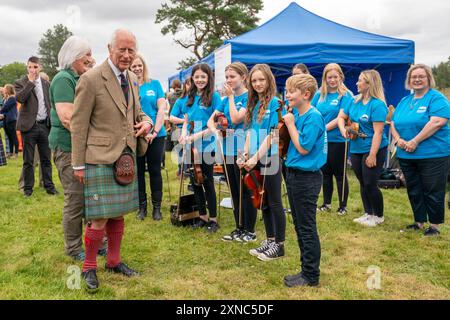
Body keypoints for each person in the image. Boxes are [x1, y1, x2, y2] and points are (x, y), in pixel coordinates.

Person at [71, 29, 152, 291]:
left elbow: (138, 113)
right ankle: (89, 268)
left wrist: (147, 123)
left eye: (131, 50)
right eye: (122, 50)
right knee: (99, 218)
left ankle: (114, 261)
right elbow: (78, 124)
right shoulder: (91, 79)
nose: (127, 55)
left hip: (125, 158)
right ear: (110, 48)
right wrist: (78, 164)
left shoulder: (132, 78)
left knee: (118, 215)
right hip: (99, 158)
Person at [49, 35, 95, 261]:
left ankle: (94, 241)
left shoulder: (80, 78)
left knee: (90, 197)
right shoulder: (62, 79)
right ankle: (74, 247)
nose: (91, 59)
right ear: (73, 57)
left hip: (84, 148)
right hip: (68, 148)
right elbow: (68, 118)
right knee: (76, 198)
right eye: (86, 54)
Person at [390, 64, 450, 236]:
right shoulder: (405, 101)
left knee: (432, 189)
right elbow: (393, 122)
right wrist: (399, 139)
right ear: (409, 80)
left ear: (428, 78)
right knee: (414, 189)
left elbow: (437, 122)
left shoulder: (436, 98)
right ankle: (419, 222)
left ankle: (435, 226)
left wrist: (415, 141)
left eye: (420, 76)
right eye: (413, 77)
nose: (416, 79)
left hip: (433, 154)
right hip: (406, 154)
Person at [283, 73, 326, 287]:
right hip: (293, 174)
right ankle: (305, 270)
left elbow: (303, 147)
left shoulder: (313, 116)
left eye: (292, 91)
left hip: (306, 178)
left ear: (306, 94)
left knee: (307, 226)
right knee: (299, 225)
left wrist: (290, 124)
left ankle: (311, 275)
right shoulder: (297, 114)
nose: (287, 94)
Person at [239, 64, 286, 261]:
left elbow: (273, 136)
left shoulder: (276, 103)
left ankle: (280, 245)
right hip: (255, 157)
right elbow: (250, 132)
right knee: (263, 200)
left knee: (275, 202)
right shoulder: (253, 103)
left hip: (270, 157)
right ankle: (270, 239)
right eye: (254, 80)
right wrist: (245, 154)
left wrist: (254, 158)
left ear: (269, 81)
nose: (258, 84)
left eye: (261, 80)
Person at [207, 62, 257, 242]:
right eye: (227, 77)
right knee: (234, 190)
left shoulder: (248, 97)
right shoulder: (223, 99)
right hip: (227, 148)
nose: (228, 80)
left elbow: (236, 118)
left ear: (243, 77)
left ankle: (249, 230)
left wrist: (229, 98)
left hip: (243, 148)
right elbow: (210, 121)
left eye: (232, 77)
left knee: (245, 189)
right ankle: (239, 227)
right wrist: (217, 132)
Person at [338, 70, 388, 227]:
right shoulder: (353, 101)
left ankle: (379, 216)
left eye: (360, 81)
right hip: (356, 148)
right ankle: (368, 213)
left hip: (373, 147)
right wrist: (344, 130)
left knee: (370, 183)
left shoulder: (377, 104)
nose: (357, 83)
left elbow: (378, 132)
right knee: (361, 182)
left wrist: (372, 155)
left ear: (369, 84)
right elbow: (341, 117)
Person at [179, 63, 222, 233]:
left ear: (208, 78)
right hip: (191, 146)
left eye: (203, 77)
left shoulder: (215, 97)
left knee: (207, 181)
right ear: (192, 78)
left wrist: (196, 136)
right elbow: (186, 120)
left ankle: (213, 219)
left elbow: (216, 124)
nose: (199, 80)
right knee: (195, 181)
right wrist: (183, 134)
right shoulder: (189, 97)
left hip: (206, 145)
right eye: (196, 77)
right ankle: (202, 216)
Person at [312, 63, 353, 215]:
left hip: (338, 140)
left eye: (335, 77)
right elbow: (312, 111)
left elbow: (340, 118)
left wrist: (321, 130)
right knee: (325, 173)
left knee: (340, 174)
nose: (332, 80)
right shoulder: (319, 94)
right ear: (325, 78)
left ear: (341, 77)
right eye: (329, 77)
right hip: (322, 140)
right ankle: (326, 203)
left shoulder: (346, 95)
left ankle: (343, 206)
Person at [130, 54, 166, 221]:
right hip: (137, 134)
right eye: (133, 66)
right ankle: (142, 207)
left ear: (143, 66)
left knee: (154, 170)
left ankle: (156, 208)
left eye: (139, 65)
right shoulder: (129, 86)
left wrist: (155, 131)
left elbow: (161, 109)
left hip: (157, 134)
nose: (137, 68)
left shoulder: (155, 84)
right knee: (138, 172)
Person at [14, 56, 57, 197]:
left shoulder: (46, 83)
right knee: (28, 160)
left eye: (35, 67)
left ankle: (49, 187)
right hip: (29, 127)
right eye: (30, 67)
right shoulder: (20, 82)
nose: (32, 70)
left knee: (46, 159)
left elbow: (49, 103)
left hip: (44, 125)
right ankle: (27, 189)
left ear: (40, 67)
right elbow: (20, 98)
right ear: (27, 67)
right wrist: (31, 82)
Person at [170, 77, 191, 176]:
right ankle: (182, 170)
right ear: (184, 86)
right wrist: (184, 121)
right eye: (188, 84)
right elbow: (171, 118)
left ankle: (187, 171)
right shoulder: (180, 100)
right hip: (179, 128)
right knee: (179, 151)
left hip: (197, 130)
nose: (190, 86)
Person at [0, 84, 19, 158]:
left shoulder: (12, 98)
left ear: (8, 90)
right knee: (9, 137)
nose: (3, 90)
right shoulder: (6, 98)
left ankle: (16, 153)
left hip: (11, 120)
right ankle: (10, 152)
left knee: (13, 137)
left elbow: (5, 108)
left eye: (5, 89)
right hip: (5, 119)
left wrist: (1, 112)